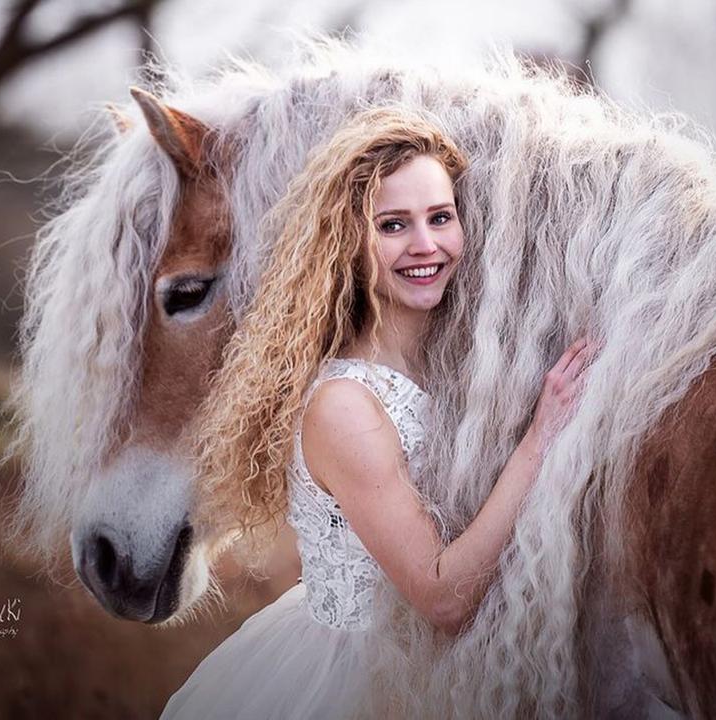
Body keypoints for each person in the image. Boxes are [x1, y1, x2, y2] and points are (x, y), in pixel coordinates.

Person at [161, 107, 592, 719]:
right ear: (349, 243)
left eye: (440, 217)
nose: (426, 245)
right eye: (393, 225)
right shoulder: (345, 406)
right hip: (362, 685)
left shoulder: (454, 368)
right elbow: (442, 596)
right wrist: (541, 438)